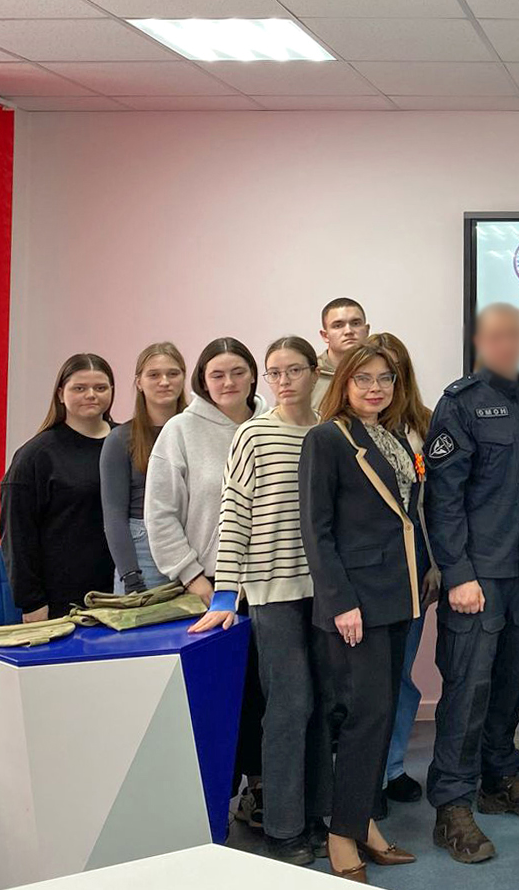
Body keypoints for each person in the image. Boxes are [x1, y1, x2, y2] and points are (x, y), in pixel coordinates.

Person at [424, 304, 519, 865]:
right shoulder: (459, 403)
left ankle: (498, 777)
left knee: (512, 681)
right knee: (468, 688)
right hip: (477, 576)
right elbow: (443, 498)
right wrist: (457, 574)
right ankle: (452, 804)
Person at [190, 337, 329, 866]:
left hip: (325, 592)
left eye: (294, 370)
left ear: (314, 372)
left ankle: (315, 816)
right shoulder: (253, 434)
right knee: (290, 706)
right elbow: (235, 515)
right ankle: (283, 828)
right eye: (275, 372)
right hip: (273, 593)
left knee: (322, 708)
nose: (284, 381)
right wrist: (226, 593)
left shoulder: (327, 431)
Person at [299, 342, 421, 880]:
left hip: (397, 594)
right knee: (364, 718)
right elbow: (316, 529)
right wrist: (340, 601)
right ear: (343, 383)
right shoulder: (326, 439)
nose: (375, 388)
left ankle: (364, 821)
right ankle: (340, 833)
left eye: (385, 379)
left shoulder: (391, 436)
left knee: (383, 714)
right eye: (363, 378)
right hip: (356, 603)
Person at [373, 332, 442, 810]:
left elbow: (436, 503)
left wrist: (435, 562)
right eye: (375, 375)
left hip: (416, 564)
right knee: (368, 678)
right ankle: (363, 775)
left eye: (393, 372)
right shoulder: (345, 429)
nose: (384, 383)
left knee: (399, 672)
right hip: (369, 570)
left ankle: (392, 768)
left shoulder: (425, 425)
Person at [145, 337, 266, 601]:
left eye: (238, 373)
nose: (229, 382)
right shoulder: (180, 430)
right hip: (208, 584)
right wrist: (191, 576)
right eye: (217, 375)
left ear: (253, 376)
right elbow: (160, 514)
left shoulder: (273, 426)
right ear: (203, 380)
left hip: (273, 582)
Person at [0, 354, 116, 620]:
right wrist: (31, 603)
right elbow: (17, 535)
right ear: (61, 394)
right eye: (80, 388)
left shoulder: (127, 442)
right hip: (63, 603)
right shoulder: (35, 456)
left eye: (100, 388)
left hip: (126, 593)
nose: (91, 395)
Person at [100, 343, 186, 594]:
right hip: (143, 556)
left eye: (173, 373)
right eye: (154, 375)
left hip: (193, 546)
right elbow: (114, 516)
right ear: (139, 382)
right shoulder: (120, 439)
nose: (164, 382)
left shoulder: (197, 432)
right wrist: (131, 576)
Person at [314, 298, 370, 410]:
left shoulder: (383, 372)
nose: (348, 331)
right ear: (325, 335)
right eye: (338, 326)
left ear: (367, 330)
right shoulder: (309, 375)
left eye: (355, 323)